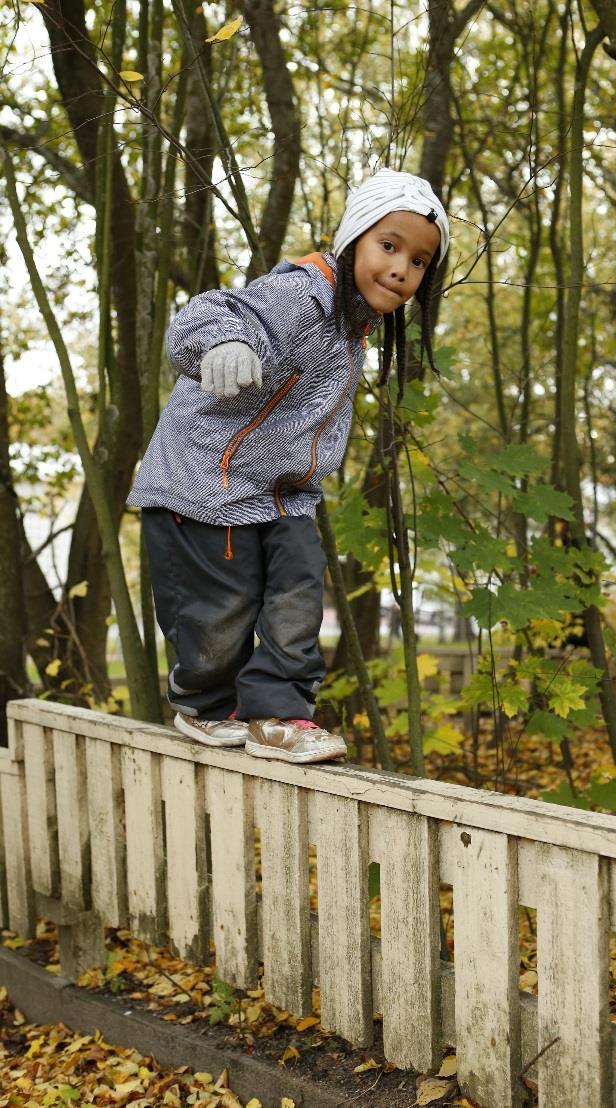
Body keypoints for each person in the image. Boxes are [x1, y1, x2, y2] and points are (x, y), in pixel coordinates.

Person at [128, 168, 450, 762]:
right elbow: (206, 315)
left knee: (300, 589)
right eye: (389, 246)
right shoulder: (303, 295)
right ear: (354, 237)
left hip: (282, 491)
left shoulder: (354, 324)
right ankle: (203, 702)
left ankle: (278, 714)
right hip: (206, 480)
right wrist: (225, 343)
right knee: (221, 613)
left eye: (420, 261)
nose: (402, 269)